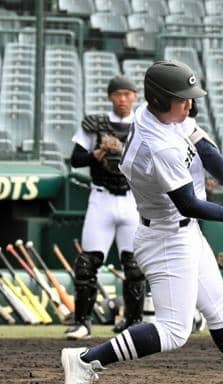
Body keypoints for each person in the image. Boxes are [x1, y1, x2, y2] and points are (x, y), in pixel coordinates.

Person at [61, 61, 223, 384]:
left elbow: (203, 146)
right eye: (183, 98)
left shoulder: (162, 117)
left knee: (222, 314)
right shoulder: (157, 145)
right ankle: (85, 361)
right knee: (174, 331)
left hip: (185, 233)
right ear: (161, 100)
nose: (190, 104)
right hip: (165, 238)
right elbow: (189, 204)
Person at [65, 75, 145, 339]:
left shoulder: (143, 124)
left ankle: (133, 322)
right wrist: (98, 152)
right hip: (101, 198)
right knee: (87, 264)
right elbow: (76, 159)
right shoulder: (95, 124)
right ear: (111, 96)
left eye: (127, 94)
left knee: (134, 266)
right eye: (118, 94)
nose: (122, 99)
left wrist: (123, 151)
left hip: (133, 200)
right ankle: (82, 323)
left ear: (135, 96)